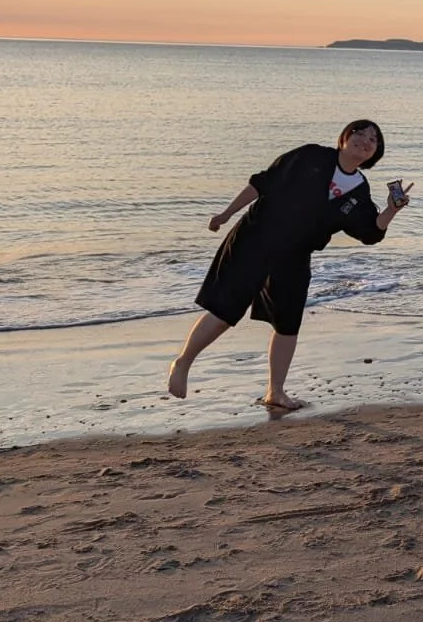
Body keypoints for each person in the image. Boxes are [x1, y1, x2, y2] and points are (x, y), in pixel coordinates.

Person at [166, 120, 410, 411]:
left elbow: (370, 232)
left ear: (374, 154)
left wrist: (392, 210)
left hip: (296, 253)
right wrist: (226, 214)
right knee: (226, 307)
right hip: (257, 236)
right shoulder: (310, 156)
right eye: (360, 132)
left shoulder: (358, 190)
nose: (366, 140)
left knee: (288, 321)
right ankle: (183, 362)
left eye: (374, 139)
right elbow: (262, 182)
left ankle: (276, 392)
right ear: (345, 137)